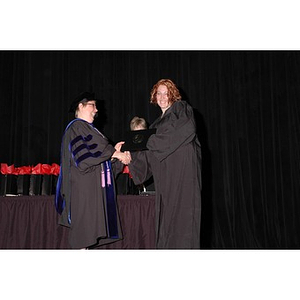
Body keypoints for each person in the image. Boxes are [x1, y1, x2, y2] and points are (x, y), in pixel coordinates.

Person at [127, 79, 202, 249]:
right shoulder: (155, 125)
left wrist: (149, 141)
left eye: (166, 93)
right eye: (158, 93)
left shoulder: (181, 109)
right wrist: (128, 156)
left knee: (183, 226)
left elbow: (186, 130)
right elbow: (146, 160)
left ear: (173, 95)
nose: (162, 97)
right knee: (167, 226)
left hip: (183, 179)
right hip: (166, 184)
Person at [55, 92, 131, 249]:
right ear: (80, 106)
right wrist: (114, 153)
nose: (96, 110)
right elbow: (84, 159)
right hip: (83, 191)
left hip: (91, 190)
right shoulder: (76, 127)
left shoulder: (88, 129)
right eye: (92, 105)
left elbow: (96, 158)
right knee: (82, 236)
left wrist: (114, 157)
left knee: (87, 239)